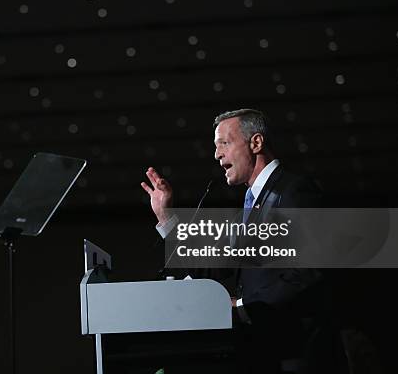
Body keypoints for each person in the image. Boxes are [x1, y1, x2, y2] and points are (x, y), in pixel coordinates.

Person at [141, 109, 336, 373]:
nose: (216, 154)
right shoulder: (247, 209)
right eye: (215, 146)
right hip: (263, 353)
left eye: (224, 143)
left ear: (256, 143)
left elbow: (309, 271)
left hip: (297, 354)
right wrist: (166, 217)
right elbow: (210, 268)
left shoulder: (294, 191)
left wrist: (243, 307)